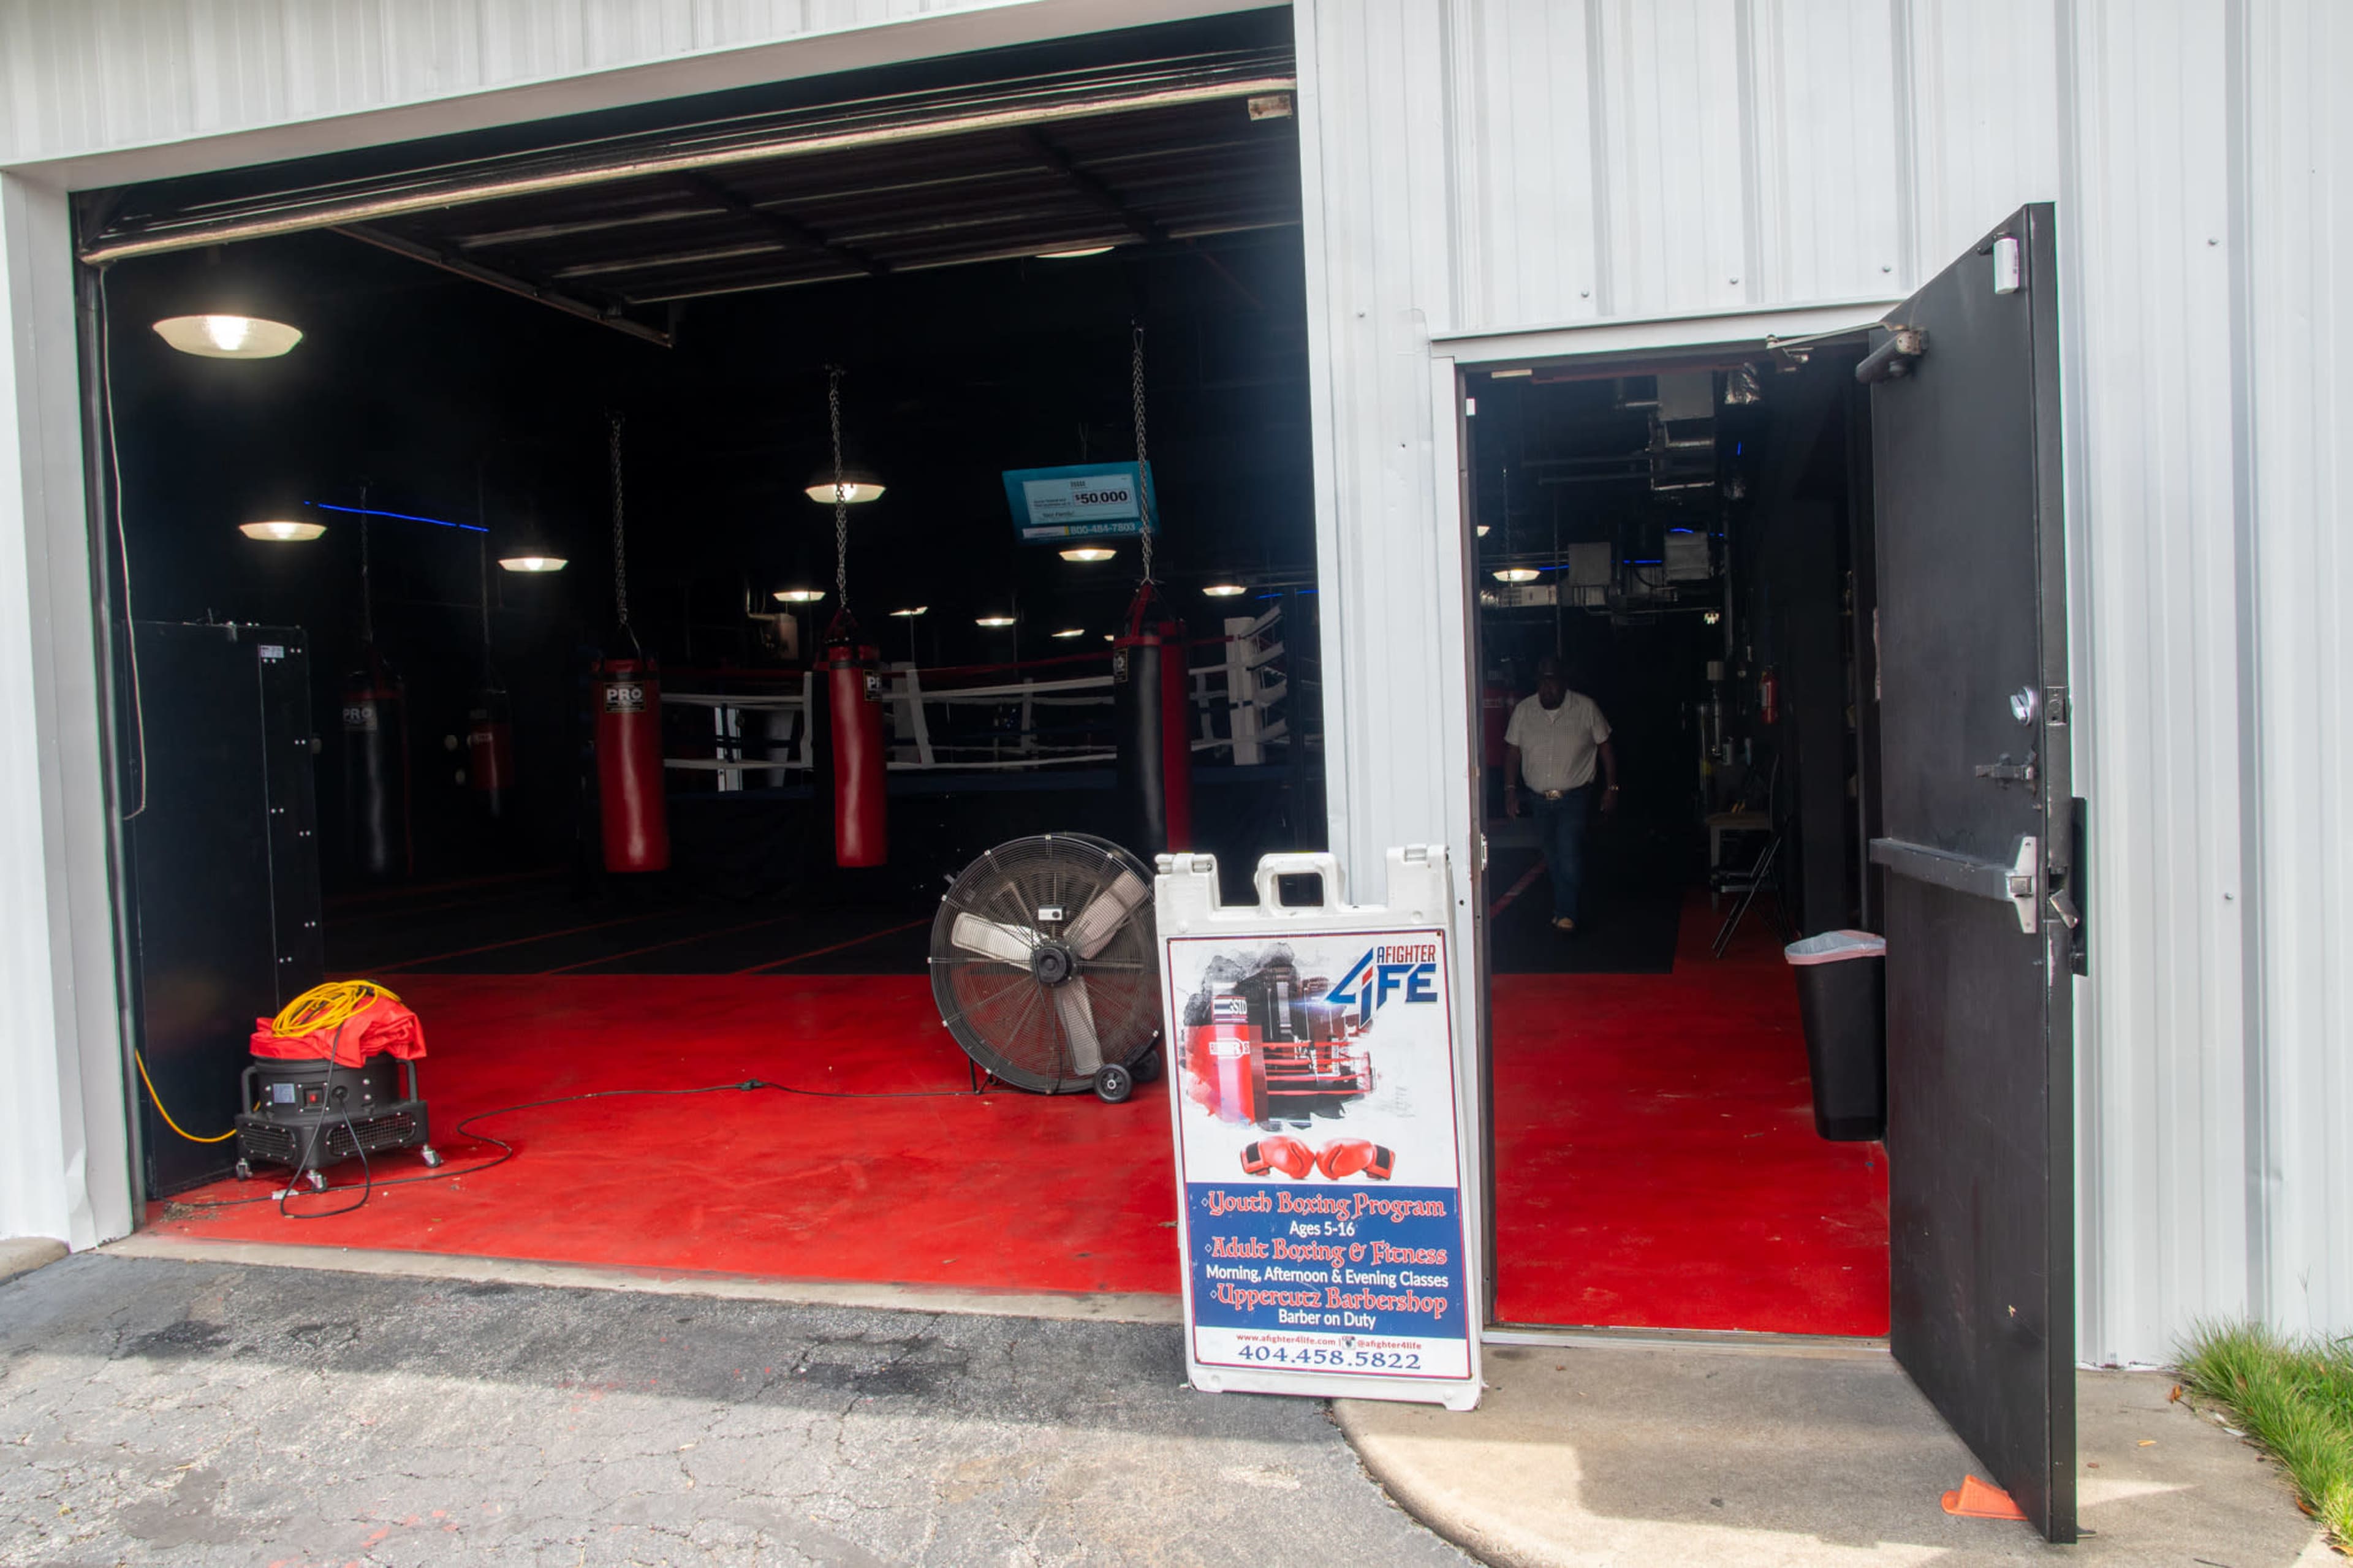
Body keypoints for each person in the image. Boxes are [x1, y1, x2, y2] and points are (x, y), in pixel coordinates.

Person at [1502, 657, 1618, 932]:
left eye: (1552, 681)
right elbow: (1512, 753)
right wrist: (1510, 791)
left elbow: (1605, 747)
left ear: (1563, 683)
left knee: (1568, 852)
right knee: (1552, 855)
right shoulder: (1524, 711)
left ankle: (1567, 913)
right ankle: (1565, 906)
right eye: (1542, 681)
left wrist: (1612, 788)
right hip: (1538, 798)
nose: (1547, 688)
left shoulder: (1585, 708)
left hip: (1574, 797)